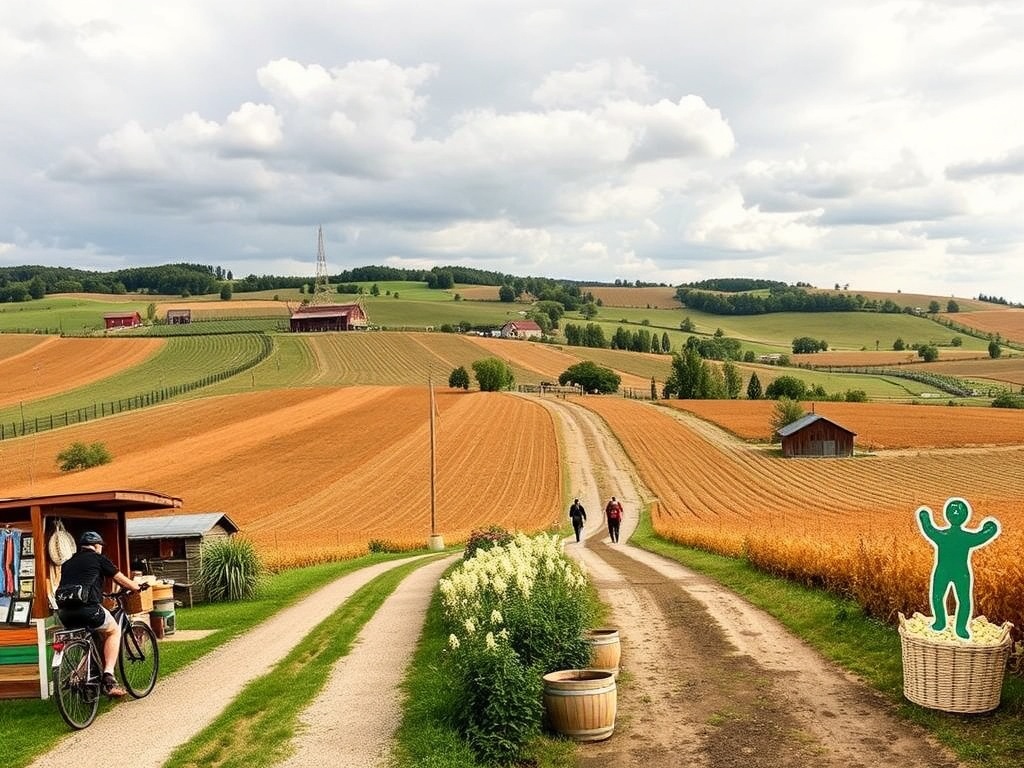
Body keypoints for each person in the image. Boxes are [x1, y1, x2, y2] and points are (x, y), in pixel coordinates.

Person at [56, 531, 145, 697]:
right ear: (97, 546)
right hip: (88, 609)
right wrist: (136, 587)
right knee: (113, 630)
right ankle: (109, 677)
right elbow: (121, 580)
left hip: (65, 613)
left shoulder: (68, 563)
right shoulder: (98, 559)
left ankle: (81, 676)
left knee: (90, 638)